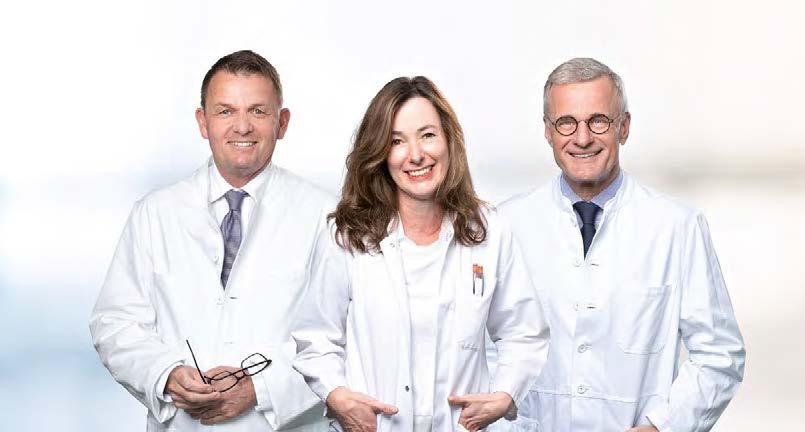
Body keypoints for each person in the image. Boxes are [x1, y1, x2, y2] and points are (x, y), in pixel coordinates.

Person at [498, 58, 746, 431]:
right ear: (548, 131)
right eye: (566, 123)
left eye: (599, 121)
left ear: (624, 127)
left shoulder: (677, 227)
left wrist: (662, 427)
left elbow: (719, 356)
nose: (582, 138)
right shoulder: (506, 224)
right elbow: (483, 348)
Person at [89, 50, 332, 432]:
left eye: (257, 111)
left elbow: (346, 336)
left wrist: (262, 389)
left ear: (282, 122)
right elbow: (115, 324)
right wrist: (166, 375)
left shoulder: (327, 216)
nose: (242, 127)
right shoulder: (156, 213)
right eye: (225, 111)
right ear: (203, 122)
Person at [291, 76, 549, 432]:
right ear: (380, 153)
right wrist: (338, 396)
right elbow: (316, 337)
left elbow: (523, 333)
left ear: (448, 140)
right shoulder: (348, 235)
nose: (415, 155)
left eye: (427, 135)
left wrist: (505, 394)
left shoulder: (489, 230)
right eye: (396, 141)